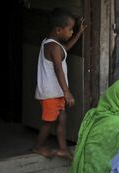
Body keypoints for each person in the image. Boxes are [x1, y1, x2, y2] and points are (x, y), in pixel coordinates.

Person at [33, 8, 86, 159]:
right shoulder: (52, 46)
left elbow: (66, 50)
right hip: (51, 94)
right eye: (69, 29)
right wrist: (67, 91)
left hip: (56, 93)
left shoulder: (55, 45)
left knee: (62, 118)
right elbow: (58, 70)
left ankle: (63, 149)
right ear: (58, 30)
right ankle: (38, 146)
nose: (70, 32)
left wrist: (78, 34)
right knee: (49, 122)